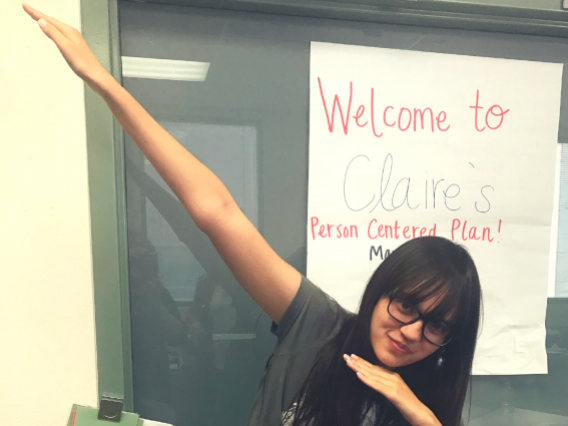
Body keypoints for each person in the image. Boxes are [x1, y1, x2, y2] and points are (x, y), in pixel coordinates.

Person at [22, 5, 482, 426]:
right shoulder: (317, 326)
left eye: (437, 325)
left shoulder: (427, 406)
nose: (412, 331)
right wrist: (103, 82)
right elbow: (217, 213)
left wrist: (420, 416)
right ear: (382, 289)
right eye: (406, 306)